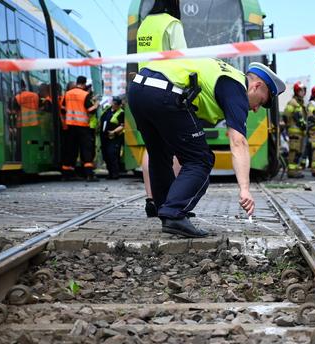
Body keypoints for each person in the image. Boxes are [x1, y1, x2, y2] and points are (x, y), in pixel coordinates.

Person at [127, 58, 285, 238]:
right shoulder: (236, 87)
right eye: (262, 101)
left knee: (159, 154)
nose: (257, 109)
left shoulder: (223, 74)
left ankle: (165, 208)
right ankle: (174, 213)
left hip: (137, 90)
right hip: (164, 93)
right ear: (256, 86)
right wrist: (244, 188)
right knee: (200, 160)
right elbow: (238, 141)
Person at [137, 0, 186, 217]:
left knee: (152, 147)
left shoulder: (145, 23)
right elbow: (183, 59)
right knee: (175, 148)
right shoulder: (171, 23)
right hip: (166, 89)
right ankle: (171, 201)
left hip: (141, 87)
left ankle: (151, 200)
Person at [61, 76, 99, 180]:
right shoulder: (85, 95)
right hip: (82, 127)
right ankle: (89, 174)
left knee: (70, 149)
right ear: (84, 83)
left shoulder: (67, 94)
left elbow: (63, 109)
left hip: (69, 126)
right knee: (86, 149)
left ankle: (66, 174)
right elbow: (91, 110)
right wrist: (96, 104)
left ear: (77, 82)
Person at [283, 82, 308, 178]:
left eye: (304, 90)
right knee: (294, 151)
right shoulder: (293, 102)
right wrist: (289, 126)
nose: (303, 92)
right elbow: (286, 115)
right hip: (294, 132)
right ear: (297, 91)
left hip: (300, 133)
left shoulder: (301, 104)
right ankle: (291, 171)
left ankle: (295, 169)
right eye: (301, 90)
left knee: (298, 152)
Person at [100, 96, 126, 180]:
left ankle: (115, 174)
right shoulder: (107, 110)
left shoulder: (121, 113)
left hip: (114, 137)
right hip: (105, 137)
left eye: (116, 104)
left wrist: (114, 132)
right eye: (113, 103)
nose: (114, 105)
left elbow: (123, 125)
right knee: (106, 155)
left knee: (112, 155)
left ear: (119, 105)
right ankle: (110, 173)